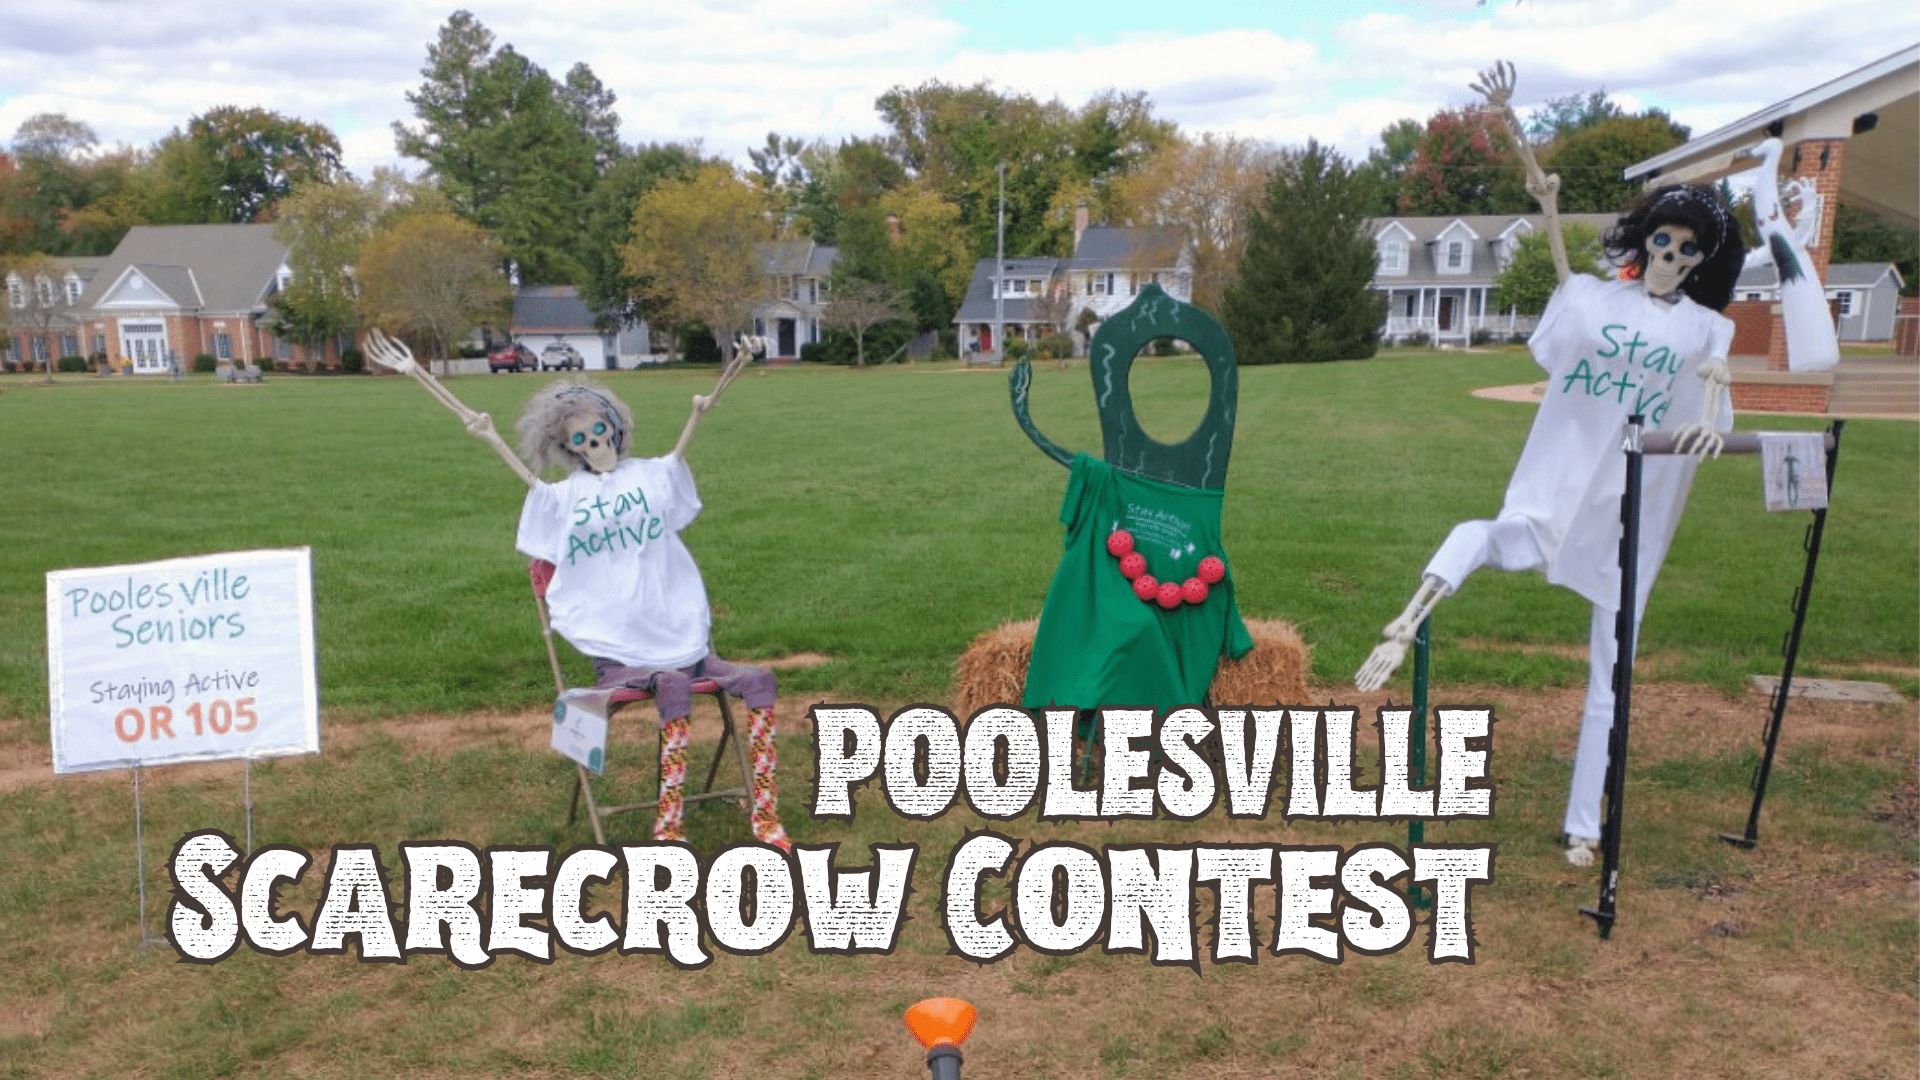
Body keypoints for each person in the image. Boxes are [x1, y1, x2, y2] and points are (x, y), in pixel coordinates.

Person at [1355, 65, 1747, 866]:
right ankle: (1408, 619)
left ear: (1702, 259)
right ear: (1645, 239)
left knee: (1612, 671)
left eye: (1686, 248)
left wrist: (1711, 409)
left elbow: (1711, 401)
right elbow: (1564, 267)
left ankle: (1583, 825)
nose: (1670, 255)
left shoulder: (1707, 329)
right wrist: (1529, 161)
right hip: (1556, 486)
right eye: (1662, 240)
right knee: (1482, 532)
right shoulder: (1596, 300)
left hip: (1628, 514)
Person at [513, 379, 789, 849]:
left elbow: (674, 460)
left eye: (599, 431)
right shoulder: (566, 498)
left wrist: (698, 414)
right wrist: (489, 436)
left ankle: (766, 817)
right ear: (567, 448)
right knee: (672, 684)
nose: (594, 444)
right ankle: (668, 829)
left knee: (760, 679)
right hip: (622, 658)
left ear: (614, 427)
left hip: (685, 643)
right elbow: (536, 491)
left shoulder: (649, 476)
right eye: (580, 439)